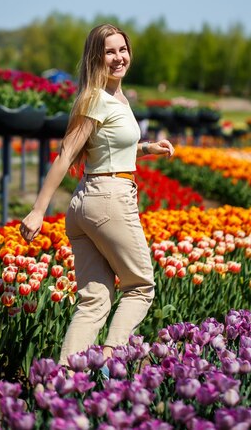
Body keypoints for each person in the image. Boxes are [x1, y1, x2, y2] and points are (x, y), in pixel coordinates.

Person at [20, 23, 174, 367]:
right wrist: (37, 210)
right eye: (110, 51)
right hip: (109, 200)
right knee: (140, 287)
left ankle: (66, 379)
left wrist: (148, 148)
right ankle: (108, 362)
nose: (119, 57)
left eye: (123, 49)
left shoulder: (116, 97)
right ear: (96, 57)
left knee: (95, 300)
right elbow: (66, 153)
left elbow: (109, 149)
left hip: (88, 201)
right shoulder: (95, 98)